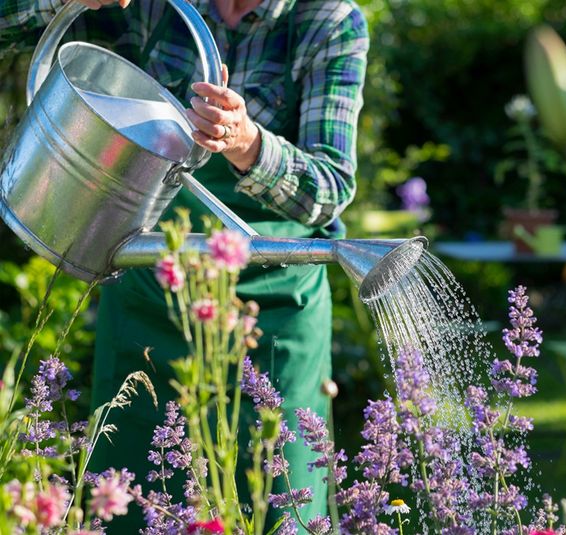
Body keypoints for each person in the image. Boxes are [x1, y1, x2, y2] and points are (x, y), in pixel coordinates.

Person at [0, 0, 368, 528]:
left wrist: (248, 144)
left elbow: (329, 189)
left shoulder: (328, 20)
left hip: (274, 306)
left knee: (274, 502)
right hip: (150, 284)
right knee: (131, 501)